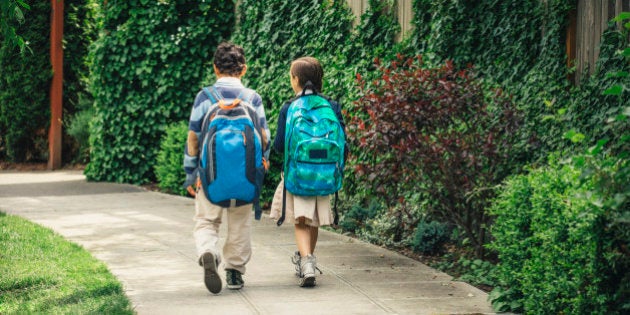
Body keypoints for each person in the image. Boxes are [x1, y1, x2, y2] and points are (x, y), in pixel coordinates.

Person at [183, 42, 270, 294]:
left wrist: (191, 174)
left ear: (215, 68)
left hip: (210, 176)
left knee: (206, 220)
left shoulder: (205, 97)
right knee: (240, 223)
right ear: (243, 69)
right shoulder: (253, 98)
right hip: (245, 175)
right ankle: (234, 272)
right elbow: (264, 137)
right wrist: (260, 170)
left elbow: (193, 138)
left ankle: (208, 250)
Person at [272, 56, 346, 287]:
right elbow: (344, 143)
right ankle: (308, 261)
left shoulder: (289, 107)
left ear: (296, 80)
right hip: (324, 172)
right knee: (312, 220)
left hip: (298, 173)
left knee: (301, 221)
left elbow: (278, 146)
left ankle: (306, 262)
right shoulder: (332, 106)